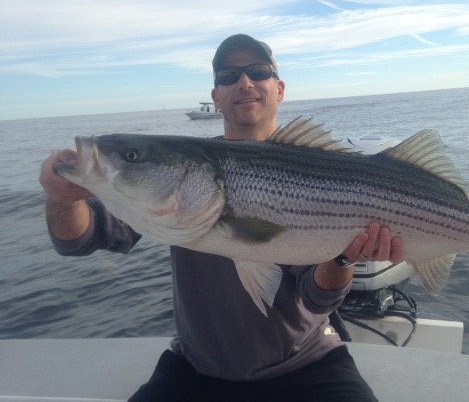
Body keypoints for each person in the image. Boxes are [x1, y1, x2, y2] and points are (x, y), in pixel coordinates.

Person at [39, 34, 405, 402]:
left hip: (306, 363)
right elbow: (77, 239)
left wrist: (344, 257)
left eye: (258, 72)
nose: (243, 83)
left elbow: (317, 301)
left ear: (279, 89)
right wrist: (62, 197)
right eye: (228, 76)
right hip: (198, 370)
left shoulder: (311, 164)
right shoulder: (173, 184)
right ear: (216, 97)